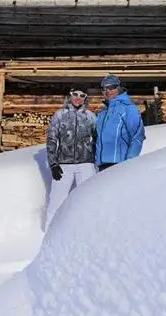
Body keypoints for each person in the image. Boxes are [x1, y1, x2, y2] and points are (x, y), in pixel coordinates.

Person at [45, 85, 97, 228]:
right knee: (57, 200)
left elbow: (97, 140)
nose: (78, 98)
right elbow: (51, 139)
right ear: (70, 95)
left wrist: (95, 162)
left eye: (82, 96)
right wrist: (53, 164)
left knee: (87, 198)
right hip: (64, 165)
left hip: (86, 163)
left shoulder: (91, 116)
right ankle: (48, 233)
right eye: (75, 94)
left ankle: (86, 229)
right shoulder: (60, 115)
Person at [95, 74, 146, 171]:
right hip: (101, 165)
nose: (108, 91)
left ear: (118, 88)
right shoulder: (103, 113)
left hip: (120, 164)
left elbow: (137, 136)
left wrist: (130, 161)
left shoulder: (128, 108)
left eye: (111, 87)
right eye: (104, 88)